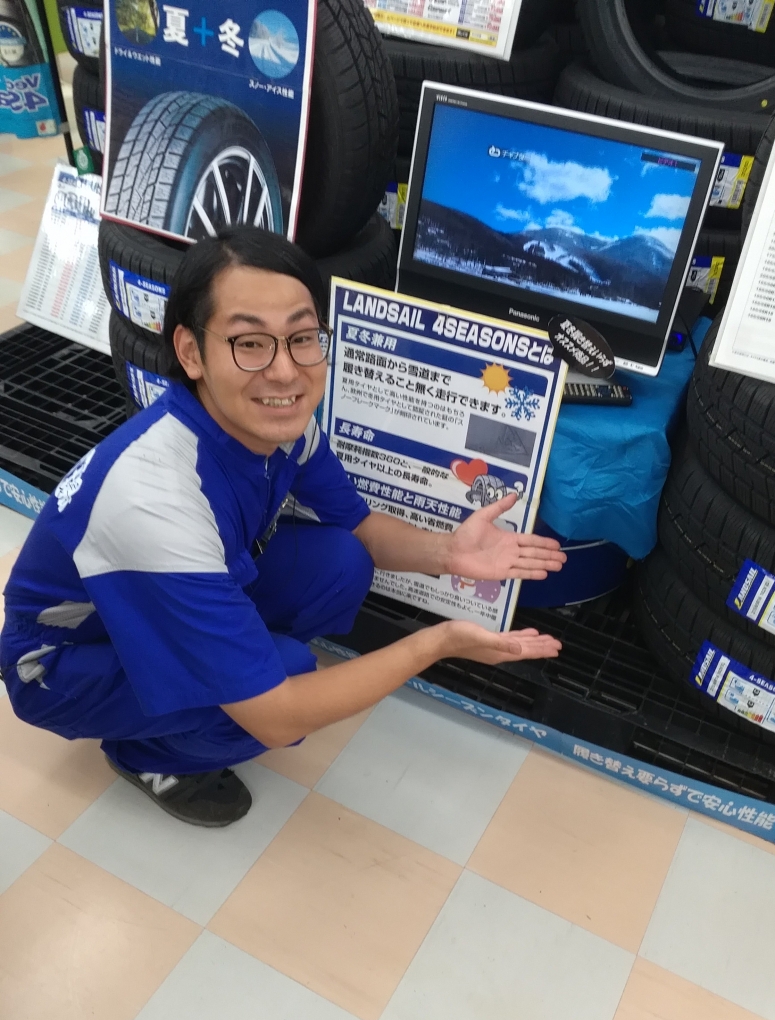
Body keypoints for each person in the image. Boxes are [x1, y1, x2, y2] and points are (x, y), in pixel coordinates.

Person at [0, 226, 564, 827]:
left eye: (301, 337)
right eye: (249, 343)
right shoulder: (154, 499)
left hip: (166, 594)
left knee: (343, 561)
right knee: (285, 681)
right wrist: (438, 643)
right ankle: (148, 754)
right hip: (65, 661)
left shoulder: (278, 427)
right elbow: (277, 717)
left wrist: (449, 552)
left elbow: (360, 526)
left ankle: (232, 660)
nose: (285, 372)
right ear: (190, 352)